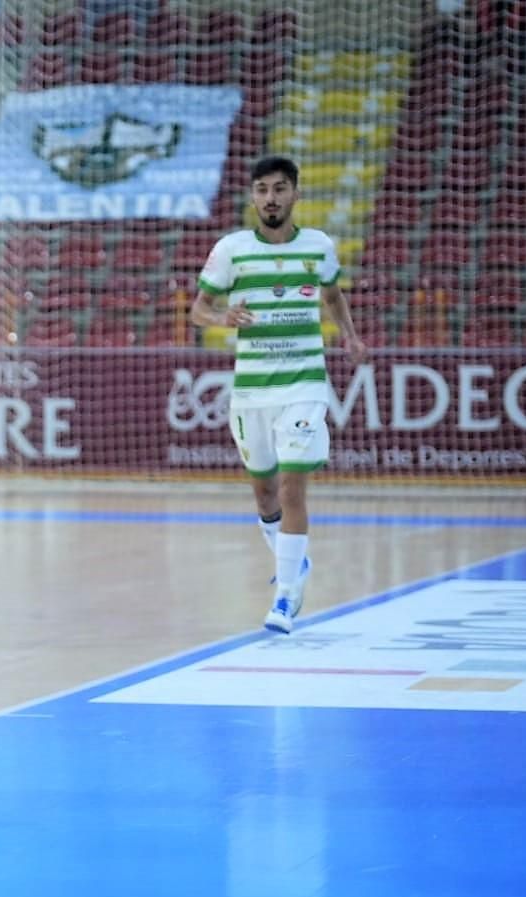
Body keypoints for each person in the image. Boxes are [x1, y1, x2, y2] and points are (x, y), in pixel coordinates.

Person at [190, 154, 369, 634]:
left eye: (280, 189)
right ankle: (295, 562)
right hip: (251, 391)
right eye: (263, 189)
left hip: (305, 383)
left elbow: (332, 296)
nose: (271, 198)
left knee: (292, 485)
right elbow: (199, 309)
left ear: (296, 195)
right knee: (265, 492)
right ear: (253, 197)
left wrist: (349, 336)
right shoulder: (231, 249)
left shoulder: (318, 246)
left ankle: (285, 596)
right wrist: (222, 317)